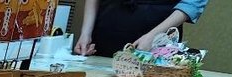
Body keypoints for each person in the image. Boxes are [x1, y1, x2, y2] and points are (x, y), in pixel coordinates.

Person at [74, 0, 207, 57]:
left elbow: (192, 3)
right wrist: (86, 33)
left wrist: (154, 35)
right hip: (107, 26)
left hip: (158, 32)